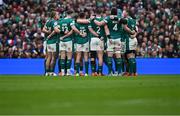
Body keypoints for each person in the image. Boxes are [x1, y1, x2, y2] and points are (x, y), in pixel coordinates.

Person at [73, 12, 100, 76]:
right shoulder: (87, 24)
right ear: (84, 16)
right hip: (85, 41)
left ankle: (77, 73)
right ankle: (86, 73)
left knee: (78, 57)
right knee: (86, 57)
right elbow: (91, 31)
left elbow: (73, 30)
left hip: (78, 41)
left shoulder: (76, 23)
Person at [42, 10, 59, 76]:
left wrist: (48, 33)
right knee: (53, 57)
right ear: (54, 16)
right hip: (53, 41)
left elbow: (43, 29)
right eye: (57, 14)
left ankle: (46, 72)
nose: (58, 15)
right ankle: (51, 72)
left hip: (47, 41)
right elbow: (56, 30)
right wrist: (61, 31)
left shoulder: (48, 21)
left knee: (48, 57)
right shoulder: (54, 22)